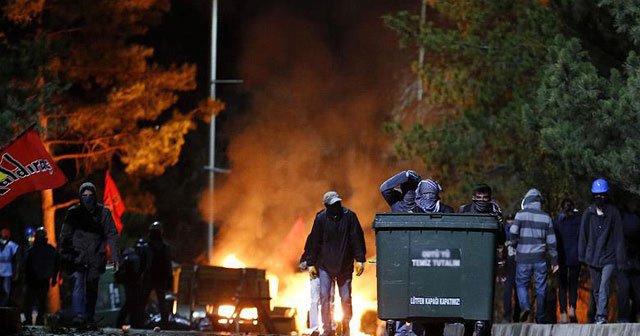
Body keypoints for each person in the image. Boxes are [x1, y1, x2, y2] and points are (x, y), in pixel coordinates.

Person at [306, 191, 366, 336]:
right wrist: (311, 263)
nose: (337, 206)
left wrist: (360, 259)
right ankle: (327, 329)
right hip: (325, 265)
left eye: (338, 203)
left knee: (345, 298)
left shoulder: (350, 216)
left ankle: (346, 326)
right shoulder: (321, 218)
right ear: (326, 206)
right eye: (333, 204)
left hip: (344, 266)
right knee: (324, 298)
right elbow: (314, 241)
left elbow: (357, 238)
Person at [59, 182, 119, 325]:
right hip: (77, 256)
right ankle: (79, 316)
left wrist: (116, 257)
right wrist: (65, 254)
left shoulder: (103, 212)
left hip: (96, 256)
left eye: (90, 195)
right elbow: (65, 235)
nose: (87, 198)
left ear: (95, 196)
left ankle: (89, 316)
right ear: (80, 196)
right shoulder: (73, 212)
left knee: (92, 288)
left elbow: (112, 234)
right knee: (78, 285)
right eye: (84, 195)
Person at [578, 178, 624, 324]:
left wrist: (620, 259)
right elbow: (583, 236)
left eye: (603, 195)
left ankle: (601, 316)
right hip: (592, 258)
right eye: (597, 195)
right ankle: (600, 314)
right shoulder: (588, 214)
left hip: (609, 257)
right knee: (597, 289)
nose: (600, 198)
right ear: (593, 196)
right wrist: (582, 257)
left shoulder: (613, 213)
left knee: (604, 286)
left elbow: (618, 237)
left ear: (606, 195)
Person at [510, 188, 558, 323]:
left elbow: (513, 232)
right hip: (540, 258)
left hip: (523, 257)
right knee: (541, 288)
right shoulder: (546, 217)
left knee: (521, 284)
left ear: (526, 200)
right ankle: (541, 317)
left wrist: (514, 245)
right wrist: (555, 260)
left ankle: (525, 307)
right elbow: (552, 241)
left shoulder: (520, 214)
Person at [300, 235, 335, 336]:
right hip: (318, 274)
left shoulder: (315, 236)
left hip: (327, 273)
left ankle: (328, 327)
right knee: (320, 301)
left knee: (326, 301)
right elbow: (307, 252)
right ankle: (320, 329)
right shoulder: (314, 236)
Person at [23, 227, 58, 325]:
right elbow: (56, 264)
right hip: (42, 279)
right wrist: (54, 277)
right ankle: (39, 320)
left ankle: (30, 320)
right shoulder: (50, 249)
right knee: (41, 301)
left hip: (33, 279)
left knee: (31, 301)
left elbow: (26, 265)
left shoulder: (32, 250)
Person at [553, 198, 581, 323]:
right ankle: (573, 309)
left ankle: (563, 313)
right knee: (573, 285)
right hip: (575, 256)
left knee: (562, 286)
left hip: (561, 257)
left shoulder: (557, 221)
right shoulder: (578, 220)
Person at [141, 221, 173, 329]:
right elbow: (168, 266)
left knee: (144, 301)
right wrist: (170, 279)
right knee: (161, 302)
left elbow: (143, 265)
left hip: (152, 278)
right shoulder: (164, 247)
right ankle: (165, 324)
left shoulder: (146, 247)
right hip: (158, 278)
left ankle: (139, 322)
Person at [617, 211, 640, 322]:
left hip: (628, 266)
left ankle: (625, 317)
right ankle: (624, 317)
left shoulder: (624, 231)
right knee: (626, 292)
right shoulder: (625, 234)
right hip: (626, 266)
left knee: (626, 292)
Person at [499, 214, 520, 323]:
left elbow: (500, 250)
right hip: (516, 262)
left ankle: (507, 316)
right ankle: (516, 315)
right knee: (518, 290)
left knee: (508, 291)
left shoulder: (503, 230)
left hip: (508, 263)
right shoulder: (518, 230)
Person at [116, 246, 144, 328]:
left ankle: (122, 322)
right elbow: (137, 271)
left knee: (130, 303)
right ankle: (133, 322)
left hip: (128, 282)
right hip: (133, 283)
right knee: (132, 303)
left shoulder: (126, 256)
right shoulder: (135, 257)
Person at [0, 228, 19, 306]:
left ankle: (4, 305)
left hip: (8, 272)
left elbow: (17, 259)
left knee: (6, 290)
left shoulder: (12, 245)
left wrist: (16, 272)